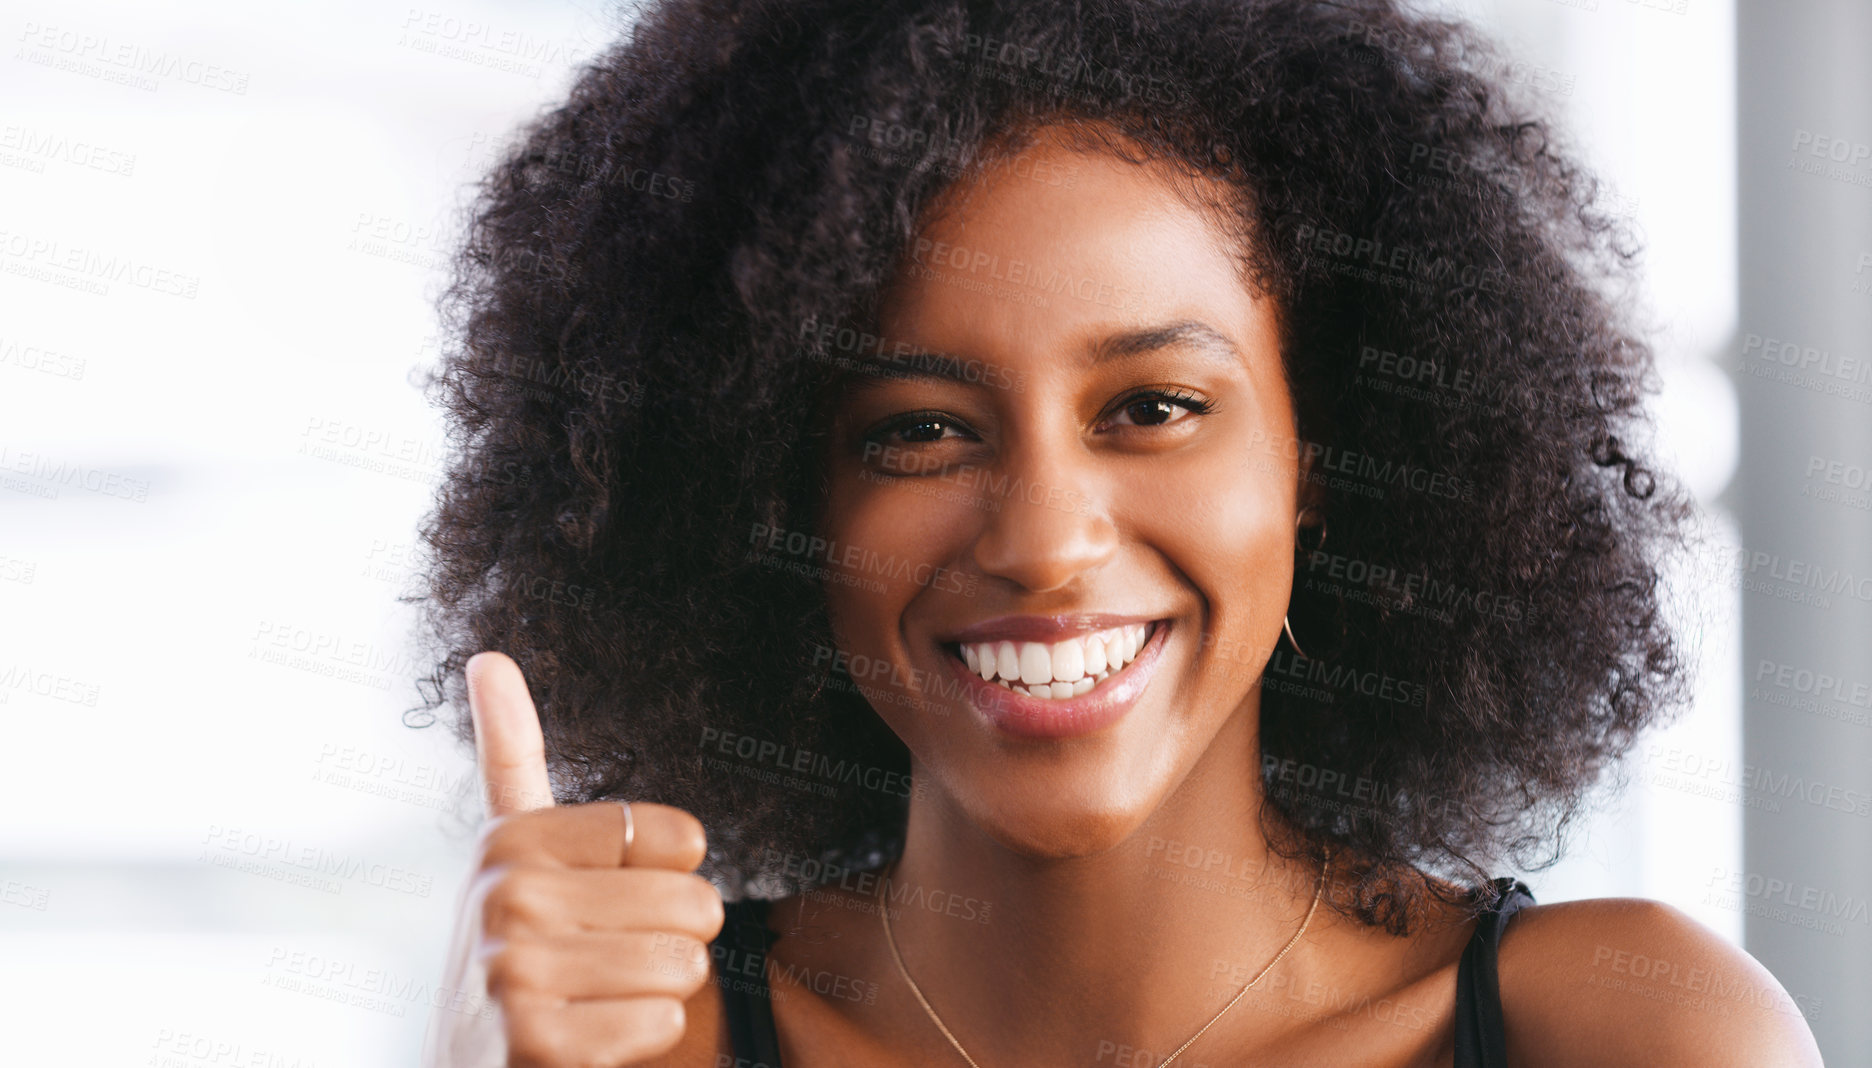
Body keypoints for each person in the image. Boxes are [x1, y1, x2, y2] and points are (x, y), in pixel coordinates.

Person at [415, 0, 1823, 1064]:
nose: (1042, 540)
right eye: (918, 428)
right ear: (776, 496)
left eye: (1152, 404)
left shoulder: (1629, 1032)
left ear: (1324, 455)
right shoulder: (648, 1048)